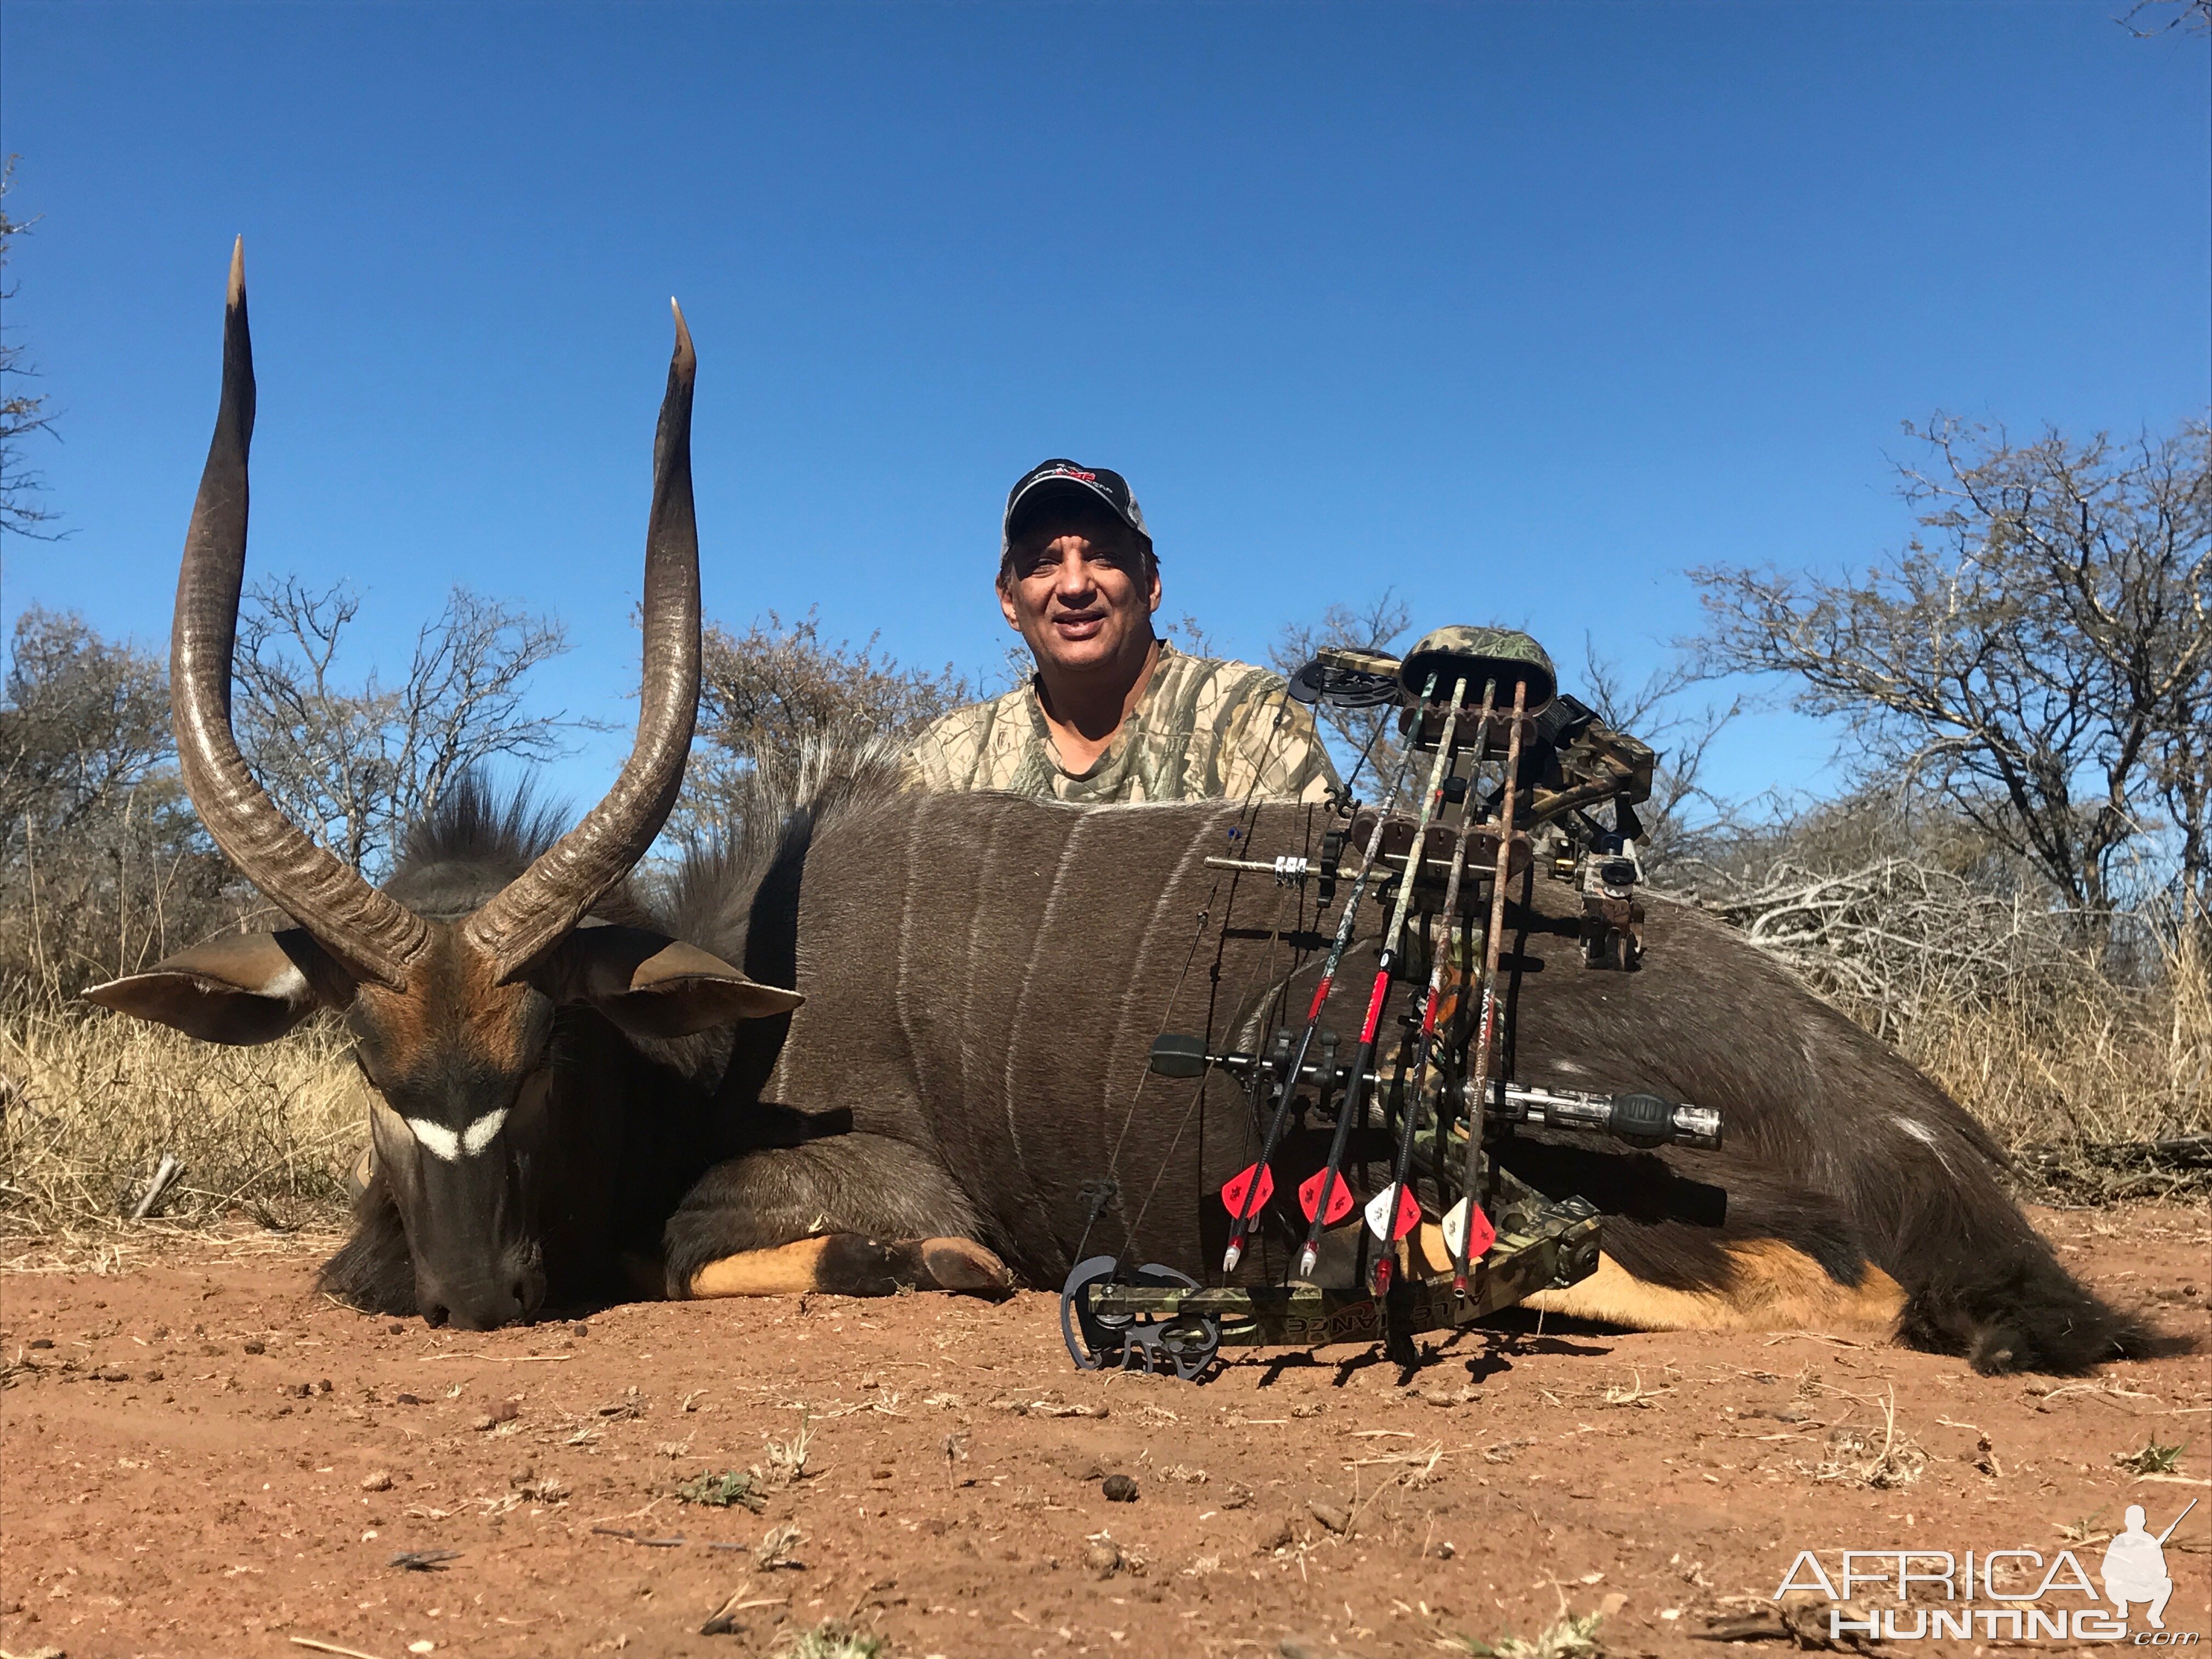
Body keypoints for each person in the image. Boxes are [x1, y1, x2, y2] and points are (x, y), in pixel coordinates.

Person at [900, 459, 1339, 803]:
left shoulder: (1247, 718)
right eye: (1042, 564)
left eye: (1104, 557)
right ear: (1010, 601)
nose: (1074, 586)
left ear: (1150, 584)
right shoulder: (950, 759)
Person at [2101, 1504, 2178, 1629]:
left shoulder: (2150, 1541)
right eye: (2132, 1520)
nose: (2135, 1523)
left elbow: (2162, 1570)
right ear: (2126, 1522)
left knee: (2166, 1583)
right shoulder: (2119, 1541)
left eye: (2137, 1520)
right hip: (2124, 1588)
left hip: (2145, 1588)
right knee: (2111, 1582)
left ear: (2143, 1522)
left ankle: (2154, 1614)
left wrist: (2147, 1571)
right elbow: (2107, 1569)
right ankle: (2122, 1606)